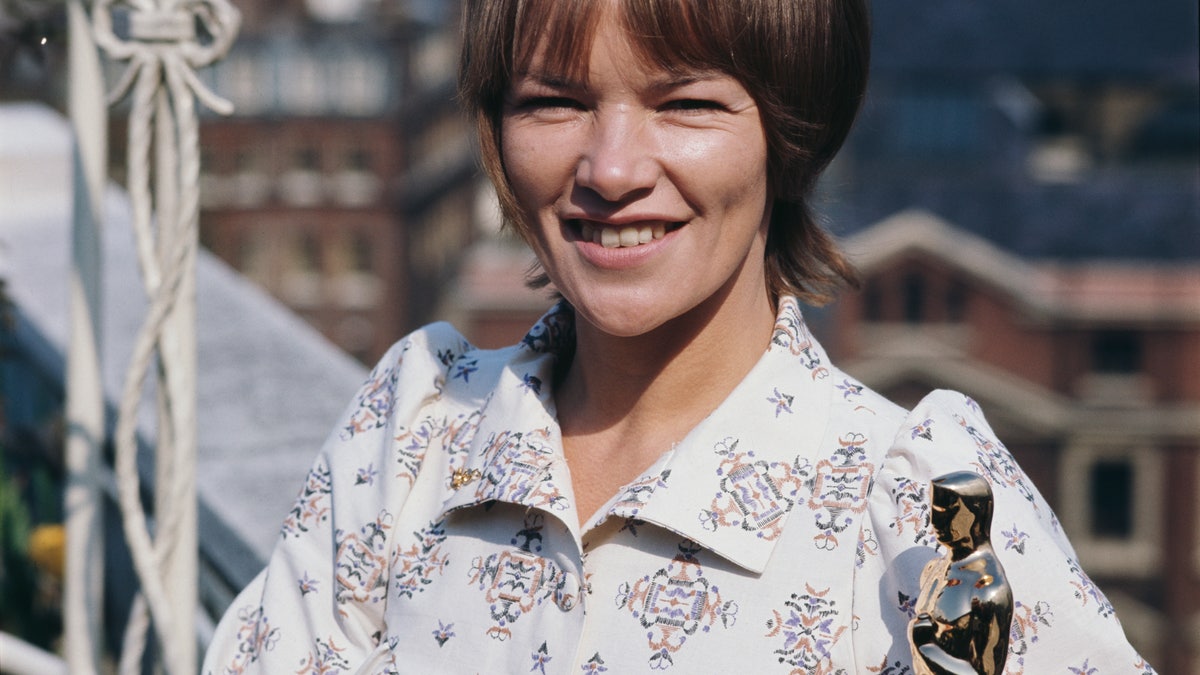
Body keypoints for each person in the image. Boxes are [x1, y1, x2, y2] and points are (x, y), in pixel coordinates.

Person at [203, 0, 1154, 672]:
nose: (610, 169)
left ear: (790, 134)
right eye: (554, 102)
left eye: (687, 103)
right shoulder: (414, 425)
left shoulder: (915, 510)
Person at [910, 471, 1013, 675]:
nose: (936, 521)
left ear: (977, 512)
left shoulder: (989, 589)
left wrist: (927, 648)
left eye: (948, 511)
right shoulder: (935, 569)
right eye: (934, 510)